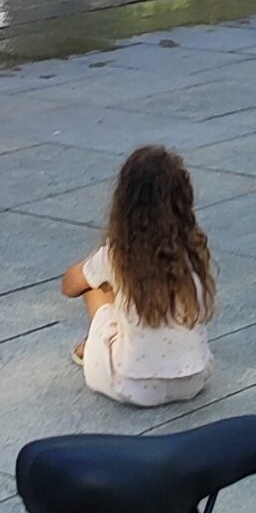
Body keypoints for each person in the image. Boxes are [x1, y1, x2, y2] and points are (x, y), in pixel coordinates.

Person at [60, 145, 215, 409]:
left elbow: (69, 285)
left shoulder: (117, 255)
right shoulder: (193, 251)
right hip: (193, 380)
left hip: (134, 386)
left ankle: (93, 349)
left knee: (95, 288)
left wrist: (98, 264)